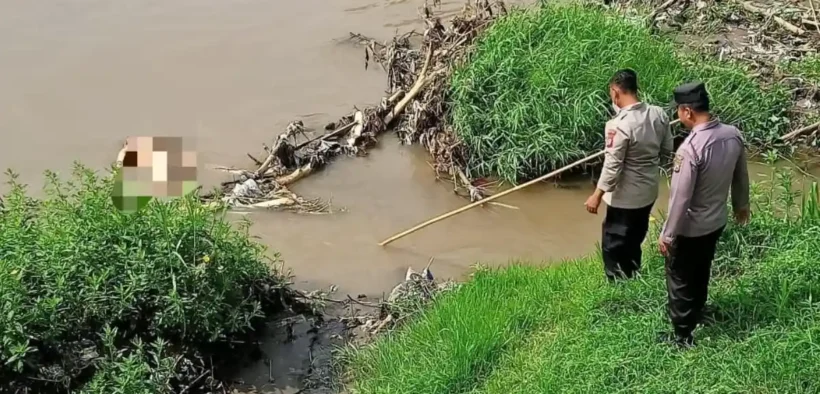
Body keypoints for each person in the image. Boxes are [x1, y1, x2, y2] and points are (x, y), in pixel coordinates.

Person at [658, 81, 750, 347]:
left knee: (680, 278)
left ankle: (682, 334)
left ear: (687, 111)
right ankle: (699, 311)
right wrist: (741, 207)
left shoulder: (690, 149)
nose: (678, 115)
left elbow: (680, 199)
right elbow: (741, 176)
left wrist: (668, 234)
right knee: (702, 268)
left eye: (678, 110)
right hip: (716, 221)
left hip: (690, 228)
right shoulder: (732, 134)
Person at [585, 69, 674, 281]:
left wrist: (596, 195)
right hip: (649, 192)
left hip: (625, 198)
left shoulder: (618, 125)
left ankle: (617, 288)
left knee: (613, 244)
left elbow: (612, 166)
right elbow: (667, 150)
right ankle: (633, 275)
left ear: (616, 92)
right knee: (635, 238)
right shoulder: (658, 114)